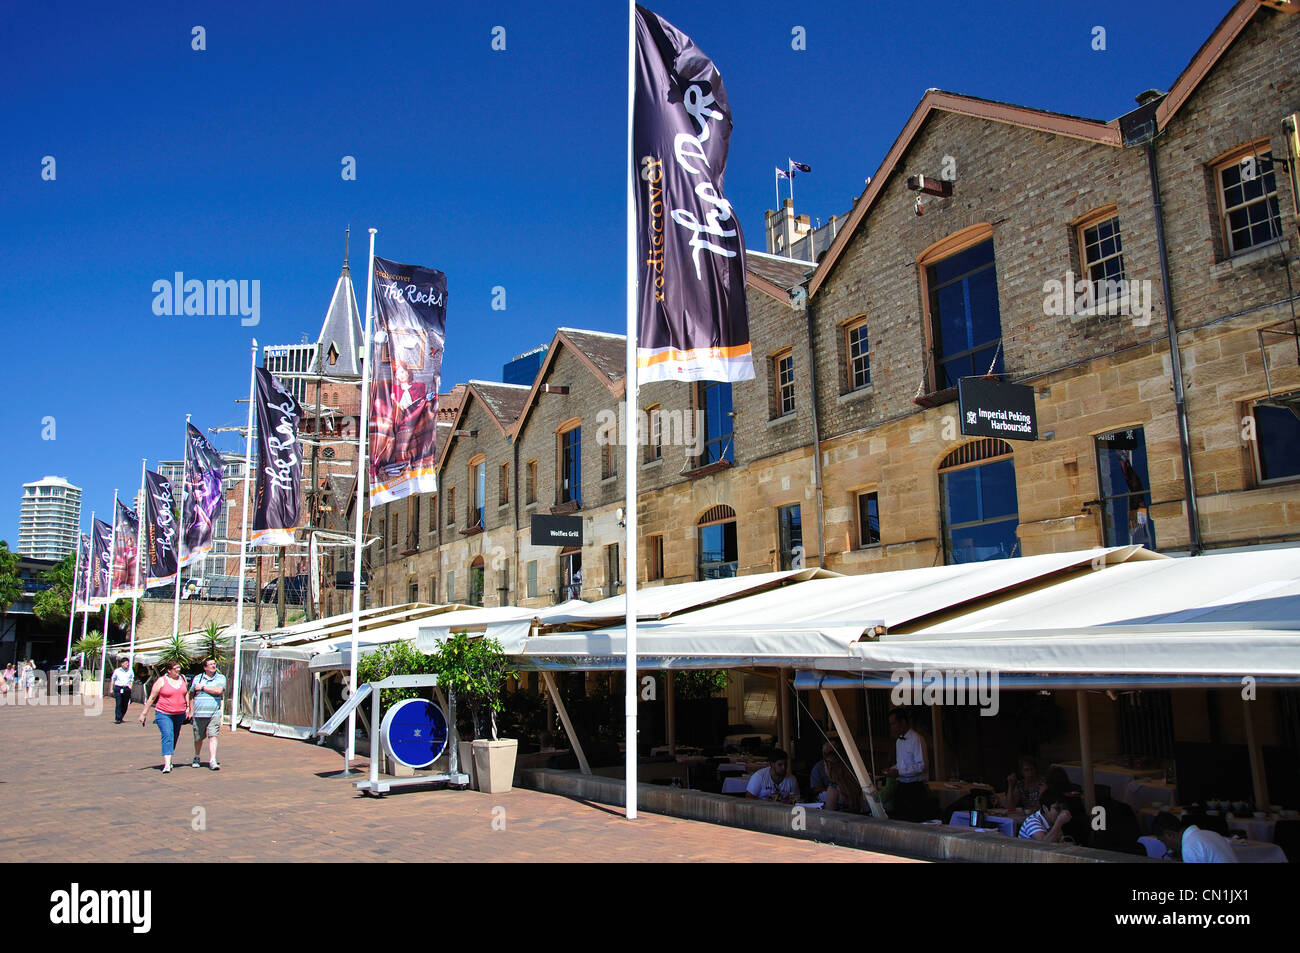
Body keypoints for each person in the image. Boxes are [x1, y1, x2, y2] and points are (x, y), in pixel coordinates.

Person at [138, 662, 191, 773]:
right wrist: (144, 713)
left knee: (174, 736)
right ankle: (167, 764)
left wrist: (187, 707)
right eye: (176, 668)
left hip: (179, 713)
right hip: (164, 713)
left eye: (179, 667)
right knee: (167, 734)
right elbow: (152, 697)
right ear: (169, 670)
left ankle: (169, 758)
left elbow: (186, 693)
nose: (178, 670)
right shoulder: (161, 681)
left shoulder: (182, 679)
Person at [885, 709, 928, 821]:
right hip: (902, 786)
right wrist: (891, 770)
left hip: (915, 787)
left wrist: (899, 772)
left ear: (902, 722)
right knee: (900, 819)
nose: (891, 728)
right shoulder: (898, 741)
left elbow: (921, 766)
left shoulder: (916, 739)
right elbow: (902, 764)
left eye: (893, 724)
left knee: (914, 821)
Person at [1151, 812, 1237, 863]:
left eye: (1163, 841)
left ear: (1169, 835)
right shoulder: (1211, 834)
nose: (1167, 847)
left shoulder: (1189, 846)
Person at [188, 658, 226, 770]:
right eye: (211, 664)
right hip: (199, 713)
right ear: (205, 667)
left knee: (213, 735)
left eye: (214, 664)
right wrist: (190, 710)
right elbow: (191, 693)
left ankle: (213, 759)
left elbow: (218, 691)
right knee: (198, 737)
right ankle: (197, 756)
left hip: (214, 712)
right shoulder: (197, 678)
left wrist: (203, 688)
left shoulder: (220, 678)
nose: (213, 666)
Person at [822, 748, 863, 813]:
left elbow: (829, 814)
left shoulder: (833, 789)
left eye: (824, 765)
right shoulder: (855, 783)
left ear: (829, 768)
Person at [110, 657, 134, 723]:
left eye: (128, 663)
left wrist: (130, 687)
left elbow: (132, 679)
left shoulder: (130, 670)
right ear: (122, 664)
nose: (127, 664)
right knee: (118, 703)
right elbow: (113, 679)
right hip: (118, 688)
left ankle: (121, 717)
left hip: (126, 689)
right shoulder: (117, 671)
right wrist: (111, 688)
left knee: (125, 704)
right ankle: (118, 718)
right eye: (126, 663)